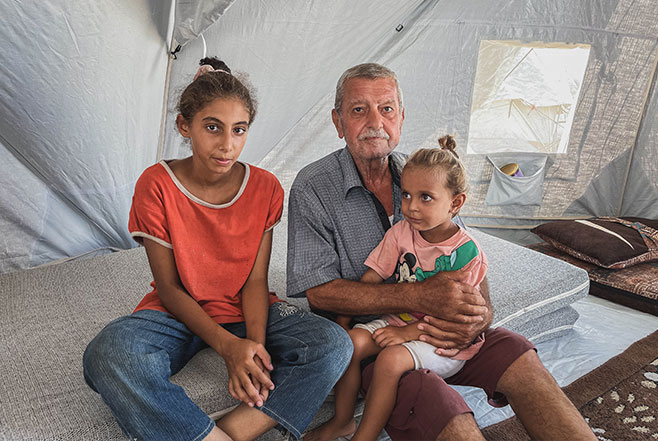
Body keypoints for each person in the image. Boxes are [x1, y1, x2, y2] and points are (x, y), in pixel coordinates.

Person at [287, 62, 596, 440]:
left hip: (440, 331)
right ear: (338, 122)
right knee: (435, 398)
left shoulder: (421, 173)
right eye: (358, 109)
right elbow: (319, 291)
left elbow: (465, 257)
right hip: (379, 339)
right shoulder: (313, 186)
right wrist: (419, 297)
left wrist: (479, 315)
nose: (375, 121)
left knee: (519, 356)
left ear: (400, 117)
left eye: (386, 108)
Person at [83, 57, 353, 441]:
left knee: (332, 344)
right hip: (176, 312)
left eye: (239, 130)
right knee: (108, 355)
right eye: (213, 127)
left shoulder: (266, 188)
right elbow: (169, 287)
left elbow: (256, 280)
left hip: (247, 309)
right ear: (185, 126)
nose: (227, 145)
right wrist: (228, 348)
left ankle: (234, 432)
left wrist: (252, 348)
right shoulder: (156, 184)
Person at [306, 135, 490, 441]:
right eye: (406, 195)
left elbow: (459, 316)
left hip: (443, 339)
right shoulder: (401, 232)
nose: (411, 207)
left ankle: (364, 436)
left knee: (391, 360)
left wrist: (408, 334)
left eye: (425, 197)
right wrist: (344, 318)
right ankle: (343, 420)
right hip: (401, 320)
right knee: (350, 344)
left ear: (455, 203)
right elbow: (373, 276)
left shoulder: (465, 253)